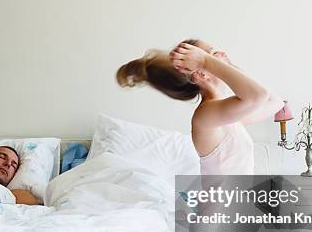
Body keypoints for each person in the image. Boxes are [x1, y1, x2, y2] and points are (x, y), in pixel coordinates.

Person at [117, 39, 283, 175]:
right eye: (211, 53)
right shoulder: (206, 115)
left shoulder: (227, 113)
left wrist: (225, 63)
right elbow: (258, 96)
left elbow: (274, 102)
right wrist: (205, 61)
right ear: (201, 73)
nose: (222, 53)